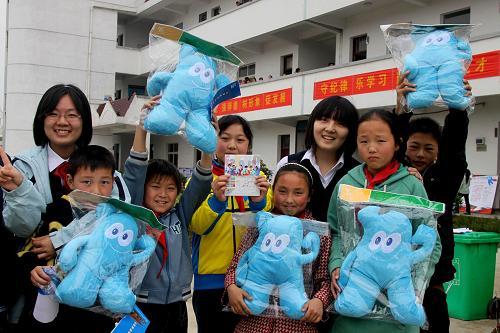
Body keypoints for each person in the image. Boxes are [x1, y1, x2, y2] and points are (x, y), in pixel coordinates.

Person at [328, 109, 441, 333]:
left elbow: (430, 240)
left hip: (397, 302)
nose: (371, 148)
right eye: (364, 141)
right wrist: (337, 265)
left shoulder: (411, 185)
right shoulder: (346, 184)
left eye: (380, 141)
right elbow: (336, 232)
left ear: (397, 144)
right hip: (354, 294)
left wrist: (416, 283)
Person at [122, 97, 214, 333]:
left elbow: (201, 184)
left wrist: (207, 141)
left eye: (170, 188)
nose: (163, 194)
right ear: (143, 188)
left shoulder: (180, 215)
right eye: (155, 186)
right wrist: (142, 125)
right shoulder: (135, 214)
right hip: (139, 305)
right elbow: (135, 172)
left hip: (176, 306)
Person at [396, 73, 470, 333]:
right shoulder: (397, 174)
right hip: (395, 274)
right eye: (414, 146)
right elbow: (393, 142)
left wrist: (458, 107)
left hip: (433, 281)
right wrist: (402, 107)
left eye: (429, 148)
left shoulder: (446, 177)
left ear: (439, 150)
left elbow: (455, 146)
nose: (419, 154)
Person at [225, 162, 332, 333]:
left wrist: (319, 301)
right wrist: (232, 288)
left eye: (298, 193)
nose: (289, 200)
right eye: (282, 191)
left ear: (309, 195)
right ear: (272, 191)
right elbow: (236, 265)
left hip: (298, 325)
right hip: (253, 324)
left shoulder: (318, 232)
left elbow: (325, 279)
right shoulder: (261, 224)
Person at [190, 115, 272, 333]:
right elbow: (195, 226)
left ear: (249, 145)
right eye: (224, 138)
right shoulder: (202, 179)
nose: (232, 145)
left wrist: (259, 201)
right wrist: (216, 200)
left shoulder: (260, 179)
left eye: (240, 139)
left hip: (250, 279)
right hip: (210, 282)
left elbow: (268, 225)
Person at [29, 145, 119, 332]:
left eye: (104, 182)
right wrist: (34, 271)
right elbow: (32, 254)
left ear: (114, 182)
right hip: (57, 313)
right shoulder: (56, 212)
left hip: (100, 315)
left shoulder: (117, 220)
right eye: (87, 181)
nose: (96, 190)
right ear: (70, 181)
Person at [276, 96, 359, 222]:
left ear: (350, 131)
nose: (330, 128)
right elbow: (274, 208)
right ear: (312, 123)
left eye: (340, 123)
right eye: (324, 120)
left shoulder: (357, 173)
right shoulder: (288, 163)